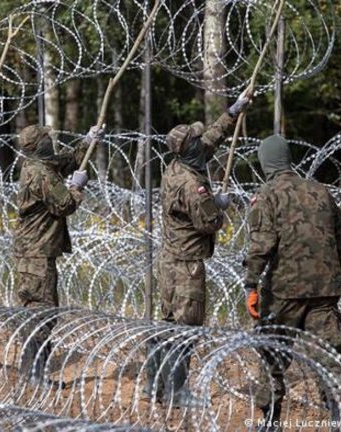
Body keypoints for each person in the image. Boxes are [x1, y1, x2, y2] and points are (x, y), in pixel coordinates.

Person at [144, 95, 250, 408]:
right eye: (195, 139)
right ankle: (177, 392)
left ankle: (154, 386)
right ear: (188, 147)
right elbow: (209, 223)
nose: (200, 141)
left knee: (166, 323)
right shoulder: (190, 183)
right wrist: (219, 206)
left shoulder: (179, 164)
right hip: (187, 264)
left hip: (169, 260)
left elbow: (211, 138)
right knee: (185, 328)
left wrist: (233, 112)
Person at [242, 134, 341, 427]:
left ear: (266, 163)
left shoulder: (269, 194)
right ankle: (339, 419)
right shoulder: (320, 191)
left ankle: (270, 421)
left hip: (285, 289)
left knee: (272, 353)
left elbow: (262, 245)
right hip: (325, 288)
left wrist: (250, 285)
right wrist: (332, 275)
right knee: (327, 353)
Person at [13, 124, 103, 386]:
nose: (50, 140)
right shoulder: (40, 174)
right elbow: (64, 204)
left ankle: (33, 372)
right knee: (40, 312)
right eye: (46, 138)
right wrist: (76, 187)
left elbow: (65, 161)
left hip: (35, 251)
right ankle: (35, 374)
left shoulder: (39, 165)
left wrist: (88, 141)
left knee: (38, 311)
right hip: (37, 253)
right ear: (39, 144)